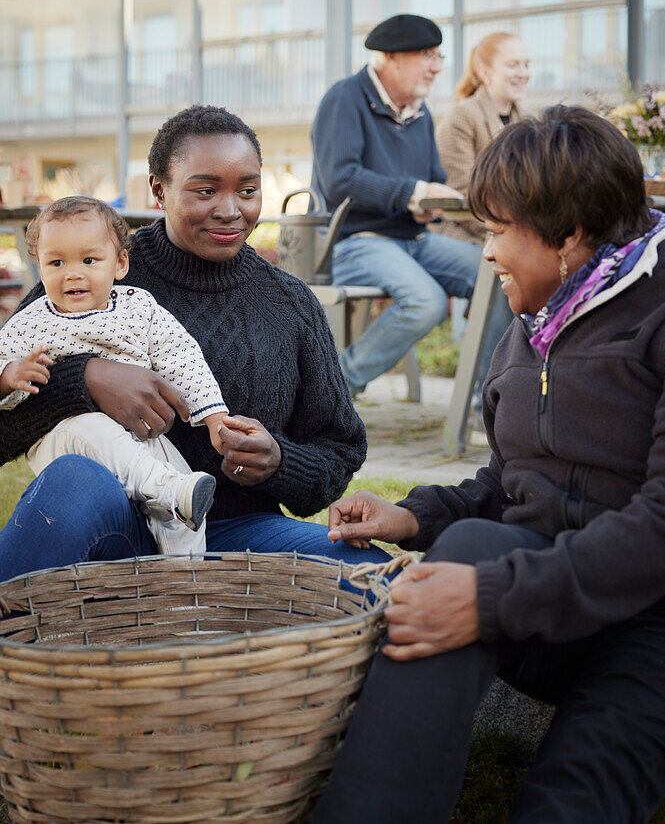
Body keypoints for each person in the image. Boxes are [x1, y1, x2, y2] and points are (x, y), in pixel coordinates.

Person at [312, 105, 665, 824]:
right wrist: (414, 514)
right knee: (468, 546)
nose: (487, 253)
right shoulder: (534, 326)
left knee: (567, 799)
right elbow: (511, 485)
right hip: (565, 602)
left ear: (570, 235)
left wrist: (487, 599)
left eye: (498, 231)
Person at [0, 105, 390, 584]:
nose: (230, 209)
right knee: (74, 480)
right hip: (114, 530)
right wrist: (81, 380)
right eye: (205, 190)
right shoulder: (84, 272)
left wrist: (279, 462)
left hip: (238, 534)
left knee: (374, 573)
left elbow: (340, 448)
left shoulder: (291, 306)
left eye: (248, 190)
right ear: (159, 191)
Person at [0, 196, 227, 555]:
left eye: (89, 260)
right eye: (56, 262)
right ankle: (164, 491)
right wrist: (8, 374)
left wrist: (215, 418)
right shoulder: (31, 321)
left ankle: (185, 588)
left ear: (120, 263)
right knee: (94, 428)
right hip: (68, 440)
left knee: (185, 505)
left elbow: (180, 356)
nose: (72, 273)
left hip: (140, 437)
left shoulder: (139, 307)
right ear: (39, 266)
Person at [310, 14, 484, 396]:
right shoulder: (345, 99)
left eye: (439, 56)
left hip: (413, 240)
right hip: (353, 240)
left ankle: (486, 399)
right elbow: (341, 181)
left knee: (497, 275)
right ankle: (332, 388)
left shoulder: (421, 113)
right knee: (426, 302)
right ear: (390, 57)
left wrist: (427, 203)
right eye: (427, 55)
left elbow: (432, 177)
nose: (438, 67)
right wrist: (411, 193)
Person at [432, 32, 529, 368]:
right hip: (461, 231)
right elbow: (458, 195)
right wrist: (511, 231)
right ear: (486, 72)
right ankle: (487, 398)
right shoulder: (463, 116)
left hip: (507, 232)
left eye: (526, 64)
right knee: (507, 269)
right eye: (513, 64)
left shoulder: (526, 120)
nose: (523, 72)